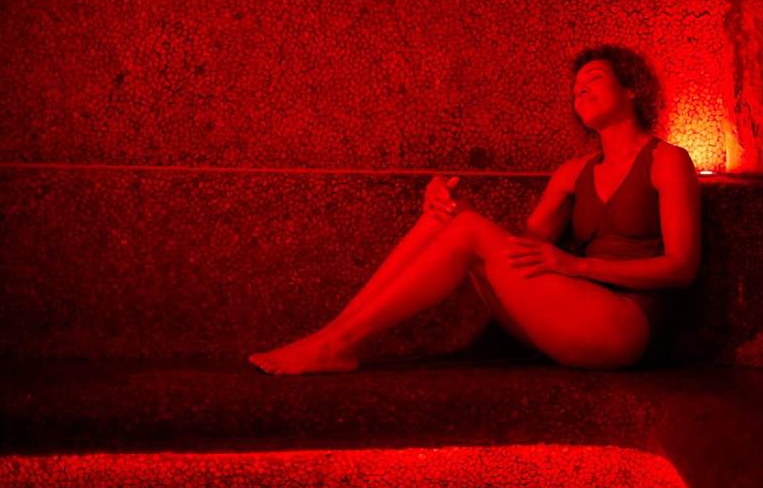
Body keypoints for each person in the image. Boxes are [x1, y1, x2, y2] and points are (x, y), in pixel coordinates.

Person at [248, 44, 701, 375]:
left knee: (465, 226)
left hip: (625, 327)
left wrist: (577, 265)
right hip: (566, 318)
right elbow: (520, 249)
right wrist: (451, 206)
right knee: (445, 215)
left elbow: (681, 268)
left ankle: (337, 341)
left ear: (631, 89)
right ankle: (332, 336)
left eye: (594, 80)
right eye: (576, 89)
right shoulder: (572, 173)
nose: (580, 91)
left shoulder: (666, 160)